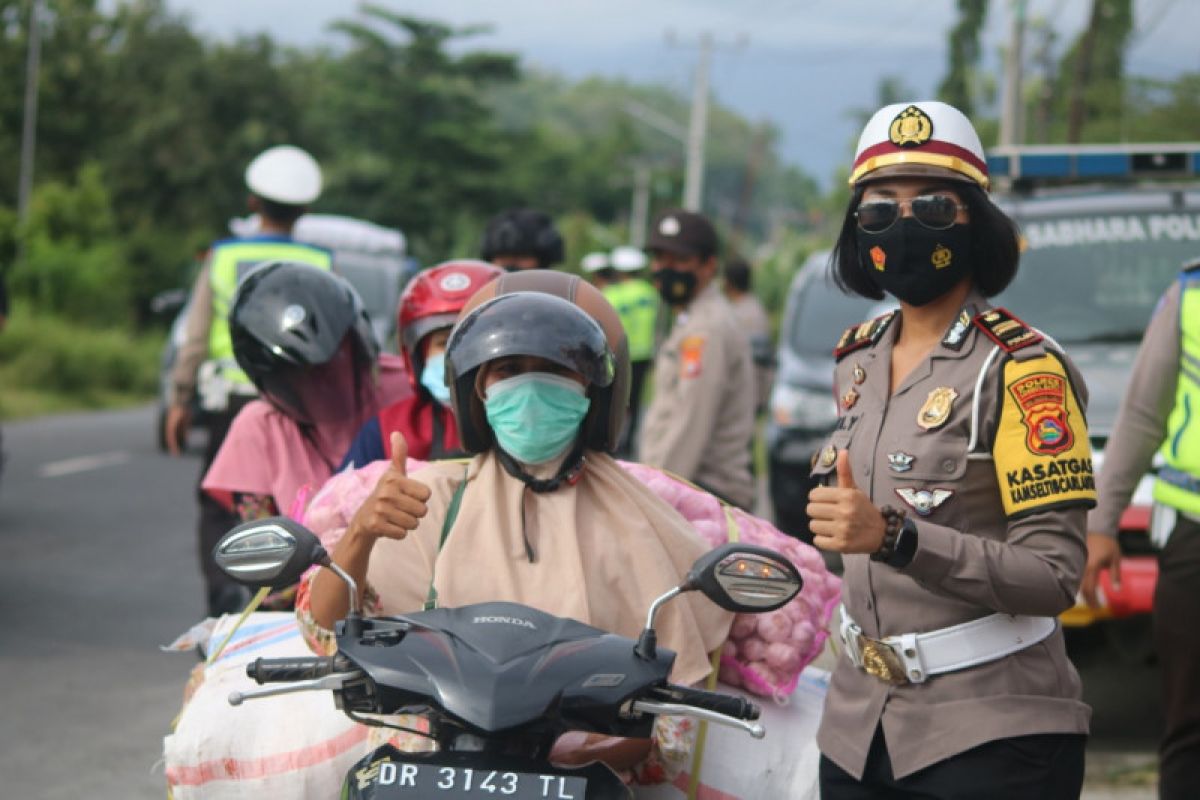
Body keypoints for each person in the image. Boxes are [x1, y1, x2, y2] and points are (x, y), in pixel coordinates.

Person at [300, 270, 732, 780]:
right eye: (509, 369)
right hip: (437, 774)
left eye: (554, 368)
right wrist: (361, 534)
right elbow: (327, 631)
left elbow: (669, 721)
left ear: (593, 390)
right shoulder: (430, 498)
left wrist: (580, 755)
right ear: (478, 390)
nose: (529, 386)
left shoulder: (639, 521)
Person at [808, 100, 1094, 798]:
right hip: (855, 728)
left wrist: (897, 539)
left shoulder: (1022, 371)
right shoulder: (857, 360)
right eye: (878, 211)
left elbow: (1055, 576)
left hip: (991, 731)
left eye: (933, 207)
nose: (901, 228)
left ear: (977, 225)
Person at [165, 144, 332, 616]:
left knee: (222, 502)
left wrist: (179, 398)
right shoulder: (320, 262)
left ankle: (223, 598)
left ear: (252, 202)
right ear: (305, 207)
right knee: (289, 498)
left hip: (229, 403)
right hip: (297, 404)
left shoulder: (223, 256)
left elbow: (194, 336)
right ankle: (281, 601)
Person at [1083, 257, 1200, 800]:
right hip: (1195, 539)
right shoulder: (1191, 294)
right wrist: (1103, 524)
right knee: (1190, 725)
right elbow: (1143, 415)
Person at [203, 262, 384, 563]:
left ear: (357, 347)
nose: (324, 383)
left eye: (333, 362)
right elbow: (262, 561)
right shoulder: (258, 428)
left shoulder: (404, 388)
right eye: (304, 375)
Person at [637, 209, 756, 510]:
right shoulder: (692, 319)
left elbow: (690, 422)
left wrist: (655, 498)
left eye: (679, 260)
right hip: (690, 490)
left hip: (702, 495)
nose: (665, 269)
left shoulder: (706, 329)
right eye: (660, 258)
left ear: (708, 266)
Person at [340, 260, 502, 468]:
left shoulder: (532, 425)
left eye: (474, 340)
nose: (460, 354)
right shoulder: (387, 432)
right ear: (418, 356)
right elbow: (338, 497)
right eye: (444, 343)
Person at [582, 246, 660, 455]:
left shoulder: (612, 293)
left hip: (618, 354)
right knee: (635, 401)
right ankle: (631, 442)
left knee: (615, 399)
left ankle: (612, 441)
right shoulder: (650, 292)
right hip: (643, 353)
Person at [722, 258, 773, 414]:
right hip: (757, 393)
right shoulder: (758, 311)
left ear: (729, 283)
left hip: (738, 396)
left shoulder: (732, 316)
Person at [479, 207, 564, 271]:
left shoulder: (561, 291)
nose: (509, 264)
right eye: (502, 257)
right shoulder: (482, 293)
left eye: (521, 256)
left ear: (544, 260)